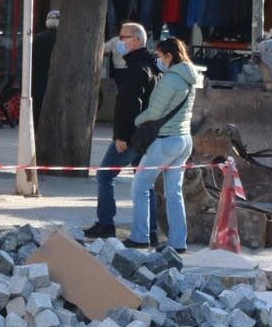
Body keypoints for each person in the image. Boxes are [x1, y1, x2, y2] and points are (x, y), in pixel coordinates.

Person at [82, 22, 160, 241]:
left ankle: (106, 224)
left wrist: (122, 137)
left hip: (133, 137)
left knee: (105, 176)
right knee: (145, 183)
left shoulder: (136, 69)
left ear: (136, 40)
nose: (119, 42)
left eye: (123, 38)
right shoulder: (150, 66)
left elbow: (129, 105)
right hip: (147, 135)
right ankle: (151, 231)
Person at [128, 37, 198, 252]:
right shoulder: (189, 77)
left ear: (169, 56)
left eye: (159, 56)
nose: (158, 60)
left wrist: (136, 121)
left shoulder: (170, 80)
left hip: (166, 141)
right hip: (184, 140)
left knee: (140, 186)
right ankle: (178, 242)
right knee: (174, 193)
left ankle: (140, 237)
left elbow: (155, 112)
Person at [30, 10, 59, 129]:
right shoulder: (64, 40)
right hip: (57, 82)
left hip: (38, 81)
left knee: (39, 111)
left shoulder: (36, 39)